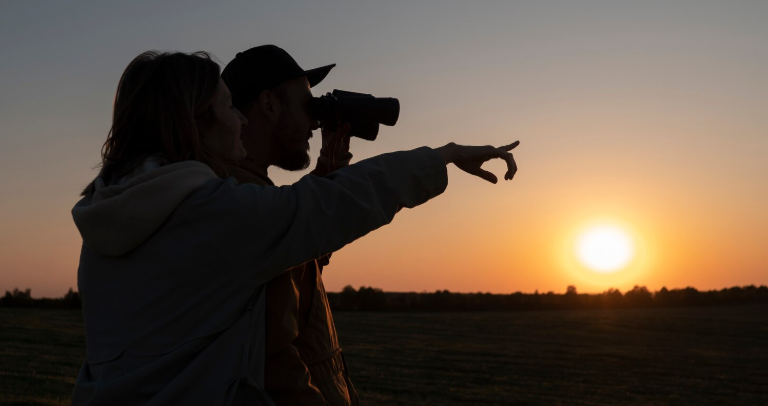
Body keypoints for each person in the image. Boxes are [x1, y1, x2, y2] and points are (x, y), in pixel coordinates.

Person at [71, 50, 519, 406]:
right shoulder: (214, 213)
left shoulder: (115, 214)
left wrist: (325, 172)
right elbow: (329, 207)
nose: (240, 122)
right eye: (228, 108)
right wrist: (443, 155)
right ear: (196, 123)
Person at [221, 45, 358, 405]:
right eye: (306, 104)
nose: (315, 120)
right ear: (268, 104)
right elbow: (277, 367)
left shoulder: (250, 192)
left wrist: (328, 171)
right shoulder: (244, 203)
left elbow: (299, 264)